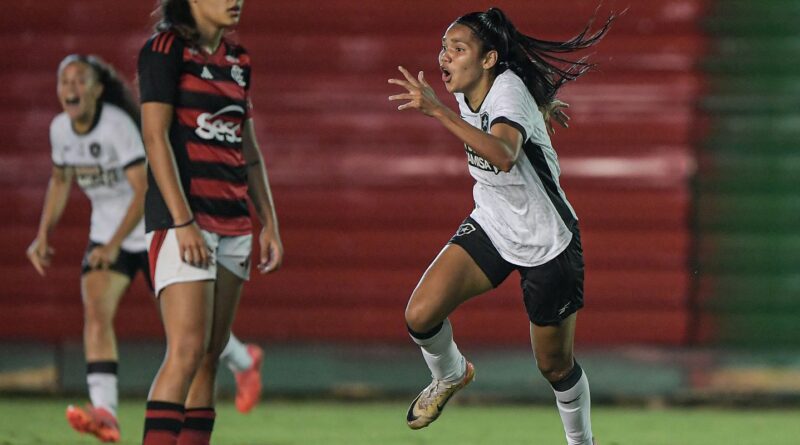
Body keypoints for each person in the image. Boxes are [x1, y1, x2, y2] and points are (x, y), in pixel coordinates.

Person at [388, 7, 614, 445]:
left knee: (554, 367)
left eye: (458, 49)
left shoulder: (505, 91)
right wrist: (541, 105)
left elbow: (505, 154)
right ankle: (451, 373)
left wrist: (438, 111)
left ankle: (582, 443)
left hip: (547, 241)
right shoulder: (471, 86)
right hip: (493, 223)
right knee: (420, 315)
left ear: (489, 59)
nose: (445, 57)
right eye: (444, 47)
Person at [27, 53, 268, 444]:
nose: (71, 88)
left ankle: (244, 360)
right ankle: (105, 411)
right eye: (64, 81)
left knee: (190, 335)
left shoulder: (117, 127)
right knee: (97, 311)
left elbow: (142, 190)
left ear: (97, 90)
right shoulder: (60, 130)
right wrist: (43, 234)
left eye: (80, 80)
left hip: (153, 231)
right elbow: (60, 179)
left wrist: (113, 244)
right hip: (108, 238)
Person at [137, 0, 282, 444]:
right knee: (185, 351)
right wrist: (183, 223)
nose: (234, 1)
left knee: (209, 358)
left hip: (234, 223)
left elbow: (248, 152)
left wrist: (269, 222)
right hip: (185, 222)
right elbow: (155, 137)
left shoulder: (239, 60)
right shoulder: (165, 49)